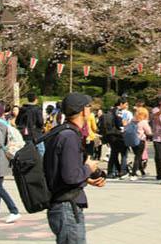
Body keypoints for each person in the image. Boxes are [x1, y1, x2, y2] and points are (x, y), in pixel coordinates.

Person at [44, 92, 106, 243]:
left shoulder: (61, 132)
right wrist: (88, 168)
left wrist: (86, 179)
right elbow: (70, 176)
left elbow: (61, 171)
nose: (90, 111)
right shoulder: (69, 136)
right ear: (83, 110)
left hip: (63, 204)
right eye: (89, 107)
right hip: (66, 207)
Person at [128, 107, 152, 181]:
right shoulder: (143, 122)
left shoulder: (132, 121)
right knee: (138, 157)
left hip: (132, 140)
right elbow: (149, 132)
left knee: (138, 156)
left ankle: (142, 172)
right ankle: (133, 173)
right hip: (140, 141)